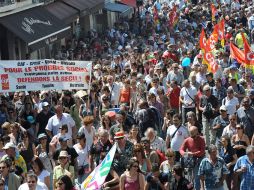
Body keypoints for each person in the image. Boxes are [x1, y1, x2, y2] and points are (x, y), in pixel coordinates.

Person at [180, 126, 205, 190]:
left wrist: (193, 154)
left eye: (193, 133)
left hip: (199, 159)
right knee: (189, 178)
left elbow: (202, 151)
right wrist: (186, 153)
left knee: (196, 177)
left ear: (197, 132)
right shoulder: (187, 140)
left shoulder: (201, 139)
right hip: (190, 160)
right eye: (190, 133)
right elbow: (181, 150)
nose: (191, 135)